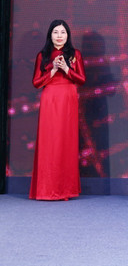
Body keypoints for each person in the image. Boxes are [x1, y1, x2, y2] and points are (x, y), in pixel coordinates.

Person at [30, 19, 86, 200]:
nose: (59, 36)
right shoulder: (43, 55)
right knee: (49, 142)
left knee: (66, 142)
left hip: (68, 98)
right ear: (50, 35)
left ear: (68, 35)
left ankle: (65, 189)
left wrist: (67, 69)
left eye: (63, 32)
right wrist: (53, 70)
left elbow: (81, 80)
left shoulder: (75, 53)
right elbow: (36, 83)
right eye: (56, 32)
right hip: (50, 99)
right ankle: (46, 189)